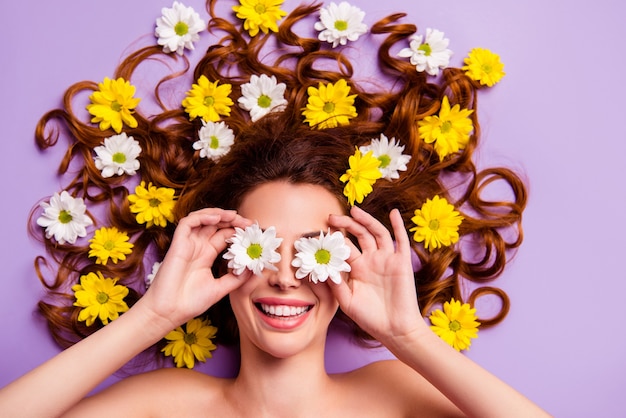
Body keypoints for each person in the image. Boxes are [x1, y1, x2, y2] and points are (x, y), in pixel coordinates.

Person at [0, 0, 549, 416]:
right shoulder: (168, 403)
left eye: (314, 251)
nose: (286, 277)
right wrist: (154, 317)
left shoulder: (393, 392)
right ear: (221, 261)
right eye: (259, 248)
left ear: (352, 264)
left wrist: (408, 338)